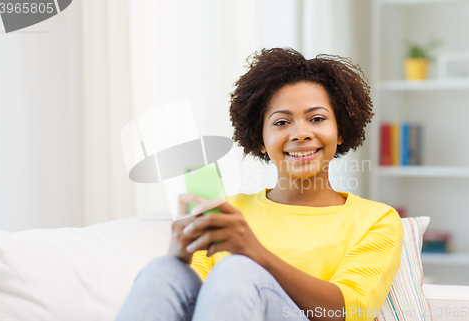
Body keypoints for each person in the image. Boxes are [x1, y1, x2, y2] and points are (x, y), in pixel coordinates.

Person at [114, 47, 404, 321]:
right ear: (260, 140)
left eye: (316, 118)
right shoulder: (229, 210)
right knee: (162, 269)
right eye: (281, 123)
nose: (301, 133)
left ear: (340, 131)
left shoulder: (376, 220)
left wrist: (254, 253)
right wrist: (181, 255)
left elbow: (349, 312)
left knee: (237, 269)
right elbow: (200, 302)